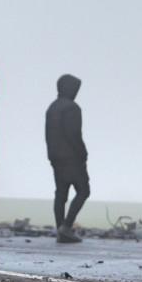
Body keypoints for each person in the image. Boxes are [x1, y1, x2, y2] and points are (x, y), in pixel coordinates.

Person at [45, 74, 89, 243]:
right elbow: (74, 135)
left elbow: (48, 135)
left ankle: (60, 230)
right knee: (83, 190)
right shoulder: (72, 108)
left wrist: (52, 155)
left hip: (55, 157)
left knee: (61, 193)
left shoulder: (52, 108)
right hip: (71, 157)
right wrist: (83, 154)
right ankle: (66, 226)